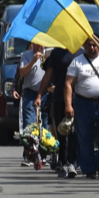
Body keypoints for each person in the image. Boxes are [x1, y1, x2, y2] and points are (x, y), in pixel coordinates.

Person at [65, 38, 99, 179]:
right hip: (83, 104)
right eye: (89, 45)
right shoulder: (77, 61)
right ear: (84, 46)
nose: (92, 48)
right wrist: (68, 105)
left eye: (95, 45)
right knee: (85, 137)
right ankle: (89, 169)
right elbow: (68, 84)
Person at [36, 46, 81, 178]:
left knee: (75, 132)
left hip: (78, 98)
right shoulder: (56, 53)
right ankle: (63, 162)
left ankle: (73, 162)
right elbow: (48, 75)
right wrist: (39, 95)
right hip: (59, 98)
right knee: (62, 132)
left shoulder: (82, 52)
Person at [19, 41, 46, 128]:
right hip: (30, 94)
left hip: (44, 95)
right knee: (30, 126)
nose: (39, 46)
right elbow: (22, 73)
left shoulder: (49, 54)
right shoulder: (26, 55)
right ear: (33, 44)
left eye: (41, 44)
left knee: (46, 127)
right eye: (36, 44)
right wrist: (33, 61)